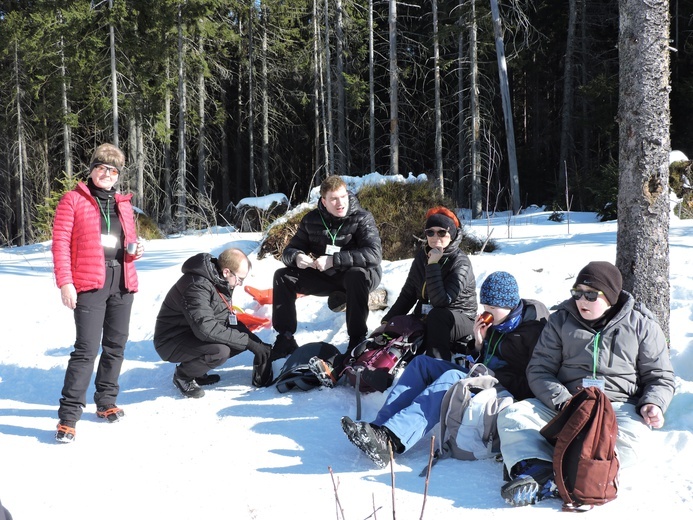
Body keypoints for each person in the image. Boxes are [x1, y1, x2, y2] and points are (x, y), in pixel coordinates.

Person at [497, 261, 676, 507]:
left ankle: (578, 471)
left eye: (591, 295)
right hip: (566, 402)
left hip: (616, 406)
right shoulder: (560, 321)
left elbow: (660, 376)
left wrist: (653, 402)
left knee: (637, 442)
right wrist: (564, 402)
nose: (582, 300)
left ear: (611, 296)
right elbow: (539, 369)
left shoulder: (641, 326)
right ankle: (539, 469)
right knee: (514, 415)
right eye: (577, 293)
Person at [340, 271, 550, 467]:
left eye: (492, 309)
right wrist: (478, 343)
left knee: (452, 378)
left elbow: (533, 379)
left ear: (510, 305)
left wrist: (488, 374)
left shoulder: (533, 333)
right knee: (422, 364)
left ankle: (393, 440)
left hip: (506, 390)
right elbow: (483, 358)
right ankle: (379, 427)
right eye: (485, 307)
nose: (486, 314)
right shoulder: (499, 323)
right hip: (484, 376)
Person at [308, 206, 478, 388]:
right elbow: (408, 294)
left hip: (458, 318)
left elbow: (441, 302)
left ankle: (437, 374)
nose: (435, 238)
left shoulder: (460, 263)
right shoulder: (422, 257)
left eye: (442, 232)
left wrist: (433, 264)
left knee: (437, 316)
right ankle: (339, 368)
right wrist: (388, 321)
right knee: (394, 330)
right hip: (429, 316)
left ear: (451, 234)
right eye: (430, 232)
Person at [52, 143, 143, 443]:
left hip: (121, 279)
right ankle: (68, 417)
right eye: (102, 168)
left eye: (113, 170)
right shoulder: (73, 200)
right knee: (86, 350)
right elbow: (61, 244)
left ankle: (105, 401)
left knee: (116, 345)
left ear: (118, 176)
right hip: (89, 282)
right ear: (91, 169)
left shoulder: (123, 204)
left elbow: (127, 239)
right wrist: (66, 282)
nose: (107, 174)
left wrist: (136, 249)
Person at [271, 175, 382, 361]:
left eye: (343, 197)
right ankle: (285, 337)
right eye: (334, 199)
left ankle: (357, 338)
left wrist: (334, 260)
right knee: (282, 276)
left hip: (361, 275)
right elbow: (289, 251)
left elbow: (374, 255)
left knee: (356, 275)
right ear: (324, 201)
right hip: (327, 275)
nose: (340, 203)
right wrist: (297, 257)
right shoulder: (311, 220)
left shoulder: (362, 218)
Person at [154, 248, 273, 397]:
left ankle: (198, 370)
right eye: (240, 279)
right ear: (226, 272)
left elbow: (225, 319)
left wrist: (257, 343)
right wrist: (249, 342)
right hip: (171, 340)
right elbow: (206, 329)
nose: (240, 284)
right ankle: (183, 376)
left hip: (192, 332)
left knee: (238, 341)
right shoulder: (196, 285)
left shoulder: (220, 281)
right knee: (220, 351)